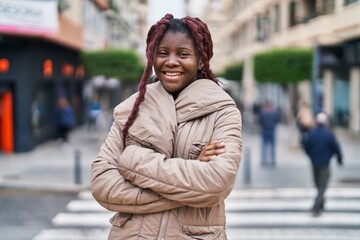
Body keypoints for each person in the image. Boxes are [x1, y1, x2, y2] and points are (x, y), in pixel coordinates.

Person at [90, 14, 242, 239]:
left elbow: (217, 182)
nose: (171, 61)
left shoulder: (223, 111)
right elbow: (103, 185)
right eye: (162, 53)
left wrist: (133, 161)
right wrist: (191, 177)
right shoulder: (131, 109)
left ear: (200, 61)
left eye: (183, 54)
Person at [302, 112, 343, 217]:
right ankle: (316, 207)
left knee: (318, 184)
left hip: (314, 163)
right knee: (322, 186)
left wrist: (310, 155)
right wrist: (339, 158)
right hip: (325, 163)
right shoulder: (329, 134)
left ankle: (321, 203)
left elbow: (306, 146)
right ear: (326, 122)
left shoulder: (312, 133)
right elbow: (335, 147)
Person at [258, 101, 280, 166]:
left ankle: (264, 160)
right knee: (272, 146)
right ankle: (272, 159)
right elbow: (278, 119)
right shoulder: (274, 112)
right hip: (271, 129)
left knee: (265, 146)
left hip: (265, 129)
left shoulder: (263, 112)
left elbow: (260, 120)